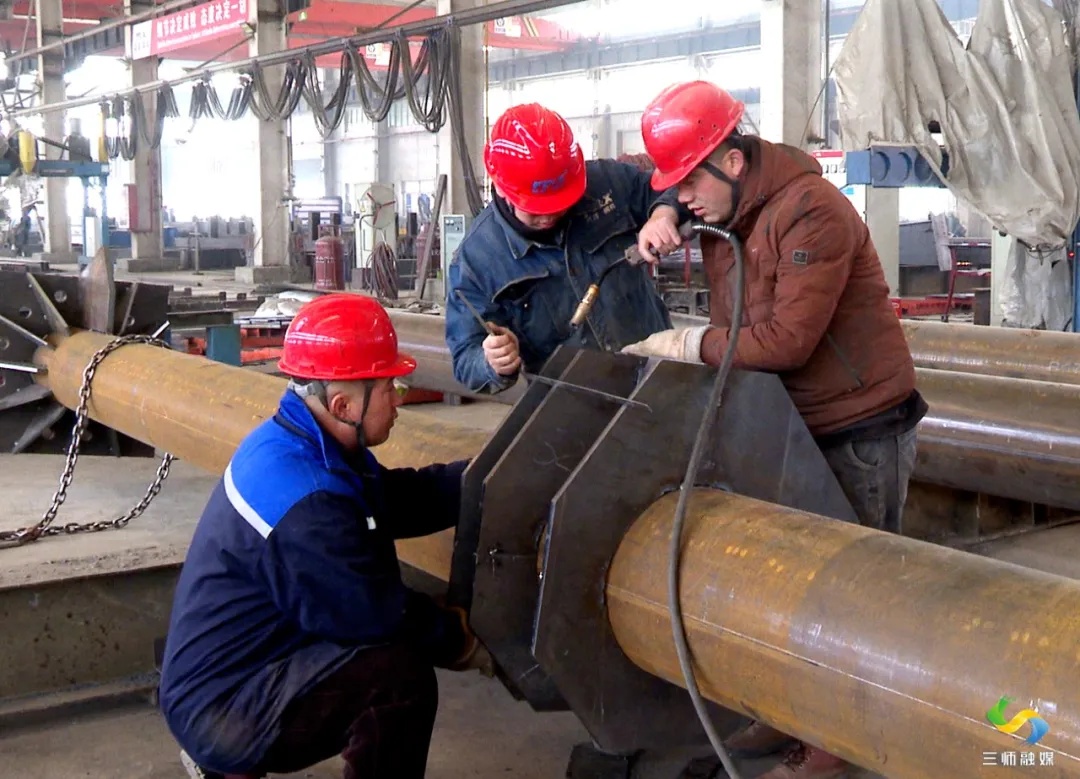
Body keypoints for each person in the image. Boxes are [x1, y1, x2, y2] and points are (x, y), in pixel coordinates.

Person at [622, 81, 928, 778]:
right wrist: (665, 210)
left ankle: (838, 738)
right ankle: (788, 706)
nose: (685, 199)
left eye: (690, 182)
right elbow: (684, 202)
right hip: (787, 421)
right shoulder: (733, 204)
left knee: (852, 589)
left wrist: (687, 343)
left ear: (732, 160)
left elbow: (788, 341)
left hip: (858, 425)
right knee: (789, 581)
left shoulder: (810, 210)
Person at [159, 293, 490, 779]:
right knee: (397, 680)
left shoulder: (301, 441)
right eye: (390, 387)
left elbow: (393, 501)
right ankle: (225, 758)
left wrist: (482, 479)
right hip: (222, 709)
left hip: (227, 670)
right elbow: (377, 614)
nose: (399, 401)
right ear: (343, 403)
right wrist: (463, 640)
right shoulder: (310, 502)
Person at [445, 102, 687, 394]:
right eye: (535, 209)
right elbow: (465, 356)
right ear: (500, 186)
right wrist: (491, 362)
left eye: (560, 203)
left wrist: (663, 213)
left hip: (656, 376)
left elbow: (676, 184)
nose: (549, 216)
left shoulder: (607, 184)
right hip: (570, 403)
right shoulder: (477, 260)